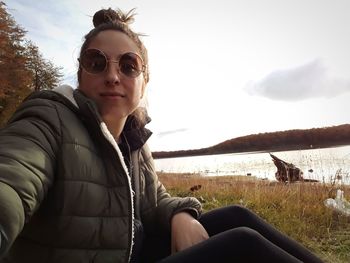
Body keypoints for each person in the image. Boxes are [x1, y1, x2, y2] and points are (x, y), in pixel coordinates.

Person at [0, 8, 323, 263]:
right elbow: (13, 179)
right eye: (97, 63)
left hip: (132, 253)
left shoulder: (133, 139)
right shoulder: (48, 119)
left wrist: (180, 214)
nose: (113, 75)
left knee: (236, 217)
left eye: (128, 65)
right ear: (81, 74)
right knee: (242, 244)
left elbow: (155, 202)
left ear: (144, 81)